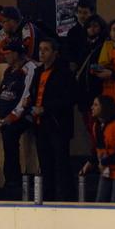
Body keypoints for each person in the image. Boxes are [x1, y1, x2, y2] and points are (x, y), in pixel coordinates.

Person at [28, 37, 76, 201]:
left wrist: (46, 109)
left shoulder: (64, 73)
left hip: (57, 125)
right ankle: (48, 198)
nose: (41, 52)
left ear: (55, 53)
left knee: (61, 164)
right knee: (45, 164)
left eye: (46, 49)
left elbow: (69, 98)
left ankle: (66, 199)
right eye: (40, 49)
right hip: (41, 125)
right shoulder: (38, 71)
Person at [0, 41, 37, 194]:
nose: (5, 57)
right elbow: (3, 91)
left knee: (10, 137)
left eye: (7, 54)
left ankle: (15, 181)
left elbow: (26, 96)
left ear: (16, 53)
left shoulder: (29, 68)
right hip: (6, 116)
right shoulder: (8, 71)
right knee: (8, 144)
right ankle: (10, 180)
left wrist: (13, 116)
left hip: (25, 115)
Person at [80, 95, 115, 203]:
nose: (92, 107)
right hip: (105, 170)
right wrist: (89, 163)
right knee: (100, 201)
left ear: (104, 107)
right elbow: (97, 148)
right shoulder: (96, 126)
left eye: (95, 105)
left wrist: (105, 161)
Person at [65, 0, 95, 69]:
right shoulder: (72, 32)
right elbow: (70, 52)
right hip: (78, 67)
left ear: (91, 14)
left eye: (85, 13)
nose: (82, 16)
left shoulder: (96, 30)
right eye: (79, 12)